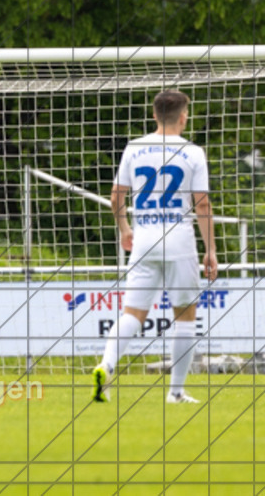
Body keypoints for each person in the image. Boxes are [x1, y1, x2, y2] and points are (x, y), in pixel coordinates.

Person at [93, 90, 217, 404]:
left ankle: (106, 366)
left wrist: (125, 229)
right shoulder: (193, 152)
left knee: (133, 313)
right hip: (179, 241)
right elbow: (202, 205)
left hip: (144, 241)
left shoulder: (134, 148)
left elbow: (116, 196)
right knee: (185, 315)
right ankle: (175, 392)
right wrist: (211, 250)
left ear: (153, 115)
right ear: (183, 117)